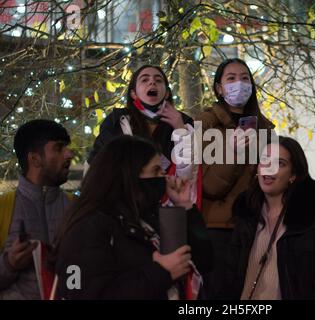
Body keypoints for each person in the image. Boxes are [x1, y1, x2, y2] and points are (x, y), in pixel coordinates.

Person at [53, 135, 212, 299]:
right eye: (155, 170)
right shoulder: (88, 227)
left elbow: (204, 261)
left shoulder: (147, 217)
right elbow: (86, 295)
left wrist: (184, 206)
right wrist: (161, 272)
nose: (164, 177)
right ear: (129, 175)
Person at [221, 136, 315, 299]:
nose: (269, 168)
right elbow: (226, 279)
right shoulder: (246, 214)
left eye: (279, 163)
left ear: (293, 175)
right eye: (264, 161)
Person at [195, 58, 274, 298]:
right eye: (231, 78)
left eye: (245, 78)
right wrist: (234, 151)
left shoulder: (264, 128)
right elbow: (209, 185)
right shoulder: (205, 124)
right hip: (218, 229)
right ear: (219, 87)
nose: (239, 84)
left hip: (257, 228)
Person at [88, 64, 198, 204]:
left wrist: (180, 130)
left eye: (158, 80)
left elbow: (186, 178)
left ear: (167, 93)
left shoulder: (185, 125)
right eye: (144, 80)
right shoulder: (117, 122)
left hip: (163, 207)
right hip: (119, 204)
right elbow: (98, 166)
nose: (152, 82)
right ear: (133, 93)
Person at [0, 119, 74, 299]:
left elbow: (92, 272)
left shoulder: (77, 208)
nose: (69, 154)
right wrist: (9, 264)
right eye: (59, 148)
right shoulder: (3, 208)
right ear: (35, 158)